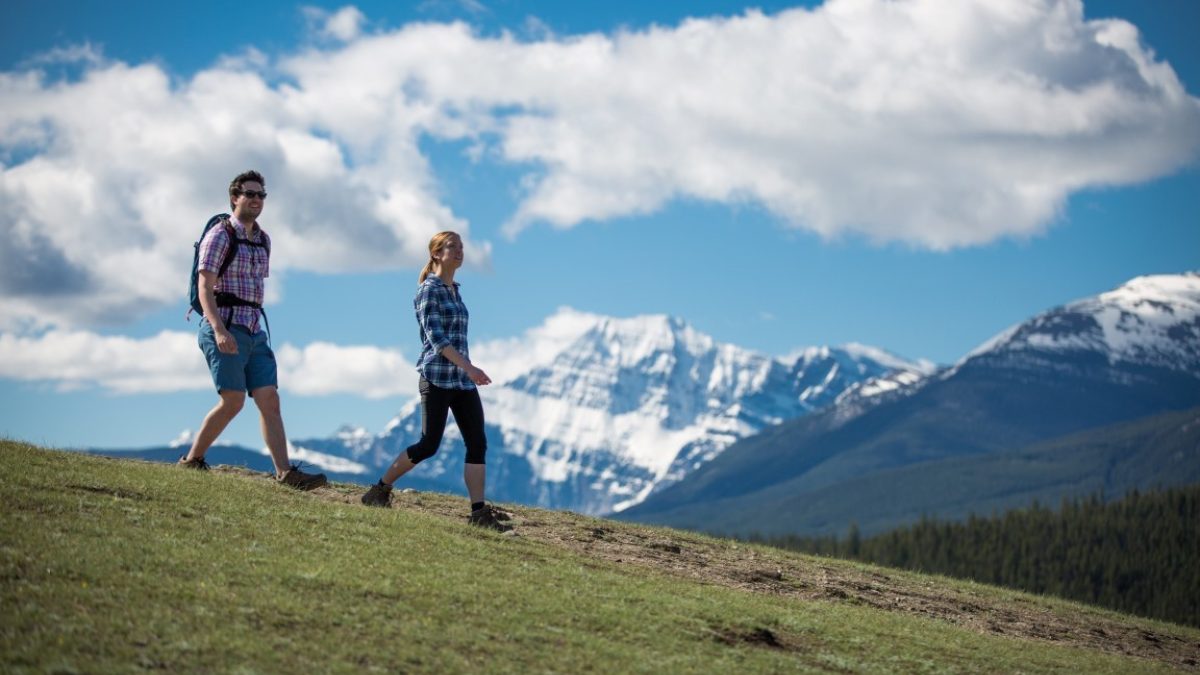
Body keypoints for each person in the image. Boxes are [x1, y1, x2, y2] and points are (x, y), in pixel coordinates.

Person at [178, 170, 327, 491]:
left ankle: (285, 473)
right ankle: (192, 461)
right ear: (235, 197)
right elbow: (205, 287)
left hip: (255, 329)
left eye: (261, 195)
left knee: (270, 400)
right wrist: (218, 329)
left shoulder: (263, 240)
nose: (257, 200)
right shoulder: (219, 235)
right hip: (225, 324)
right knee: (233, 401)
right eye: (250, 194)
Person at [361, 231, 508, 530]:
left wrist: (466, 371)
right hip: (437, 378)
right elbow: (437, 339)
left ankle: (478, 513)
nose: (460, 251)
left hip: (462, 383)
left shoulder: (455, 290)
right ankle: (379, 490)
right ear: (436, 254)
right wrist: (470, 367)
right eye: (452, 246)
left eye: (462, 247)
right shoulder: (428, 290)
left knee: (477, 442)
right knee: (429, 444)